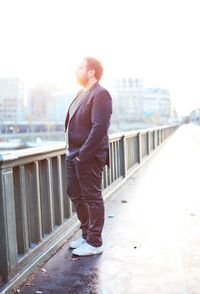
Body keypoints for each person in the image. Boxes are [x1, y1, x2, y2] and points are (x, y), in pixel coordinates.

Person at [65, 57, 112, 256]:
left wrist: (83, 155)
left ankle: (95, 242)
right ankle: (86, 236)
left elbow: (99, 127)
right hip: (73, 153)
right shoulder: (81, 93)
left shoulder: (101, 94)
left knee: (92, 197)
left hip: (88, 155)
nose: (77, 71)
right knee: (75, 194)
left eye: (80, 67)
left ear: (91, 71)